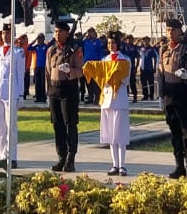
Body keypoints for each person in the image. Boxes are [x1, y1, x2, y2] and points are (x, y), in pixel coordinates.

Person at [158, 18, 187, 178]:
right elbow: (161, 73)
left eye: (173, 30)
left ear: (180, 31)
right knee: (174, 131)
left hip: (183, 92)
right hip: (169, 93)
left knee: (185, 131)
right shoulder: (163, 49)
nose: (170, 33)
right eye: (168, 30)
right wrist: (161, 95)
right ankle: (179, 166)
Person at [83, 32, 132, 177]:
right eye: (109, 43)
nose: (111, 45)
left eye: (114, 43)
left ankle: (122, 165)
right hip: (106, 99)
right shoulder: (104, 60)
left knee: (120, 134)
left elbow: (126, 80)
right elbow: (98, 74)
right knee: (111, 134)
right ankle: (114, 165)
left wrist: (114, 74)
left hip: (120, 99)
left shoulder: (126, 60)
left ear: (118, 44)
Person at [47, 19, 84, 172]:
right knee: (57, 125)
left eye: (59, 31)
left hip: (69, 89)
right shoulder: (52, 50)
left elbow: (82, 70)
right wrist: (48, 90)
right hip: (55, 90)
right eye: (55, 31)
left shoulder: (75, 49)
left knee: (70, 124)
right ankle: (61, 156)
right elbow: (48, 72)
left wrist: (70, 71)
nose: (56, 34)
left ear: (66, 33)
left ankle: (71, 158)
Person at [0, 25, 25, 167]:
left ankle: (12, 157)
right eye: (4, 32)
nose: (5, 35)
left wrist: (21, 94)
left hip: (12, 91)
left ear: (14, 34)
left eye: (8, 33)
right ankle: (3, 156)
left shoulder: (18, 52)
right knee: (0, 127)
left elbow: (20, 74)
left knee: (11, 126)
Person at [30, 33, 49, 102]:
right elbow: (29, 47)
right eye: (38, 38)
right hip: (37, 67)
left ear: (43, 39)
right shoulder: (36, 46)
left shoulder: (45, 46)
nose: (39, 40)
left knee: (42, 83)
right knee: (37, 83)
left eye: (40, 38)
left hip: (43, 67)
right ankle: (38, 98)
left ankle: (43, 97)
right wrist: (34, 40)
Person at [139, 37, 158, 101]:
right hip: (143, 69)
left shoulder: (152, 49)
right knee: (143, 83)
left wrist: (155, 67)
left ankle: (151, 95)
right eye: (144, 40)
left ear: (149, 41)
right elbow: (139, 58)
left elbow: (155, 58)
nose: (145, 42)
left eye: (146, 40)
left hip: (149, 69)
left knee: (151, 83)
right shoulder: (141, 49)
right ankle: (145, 96)